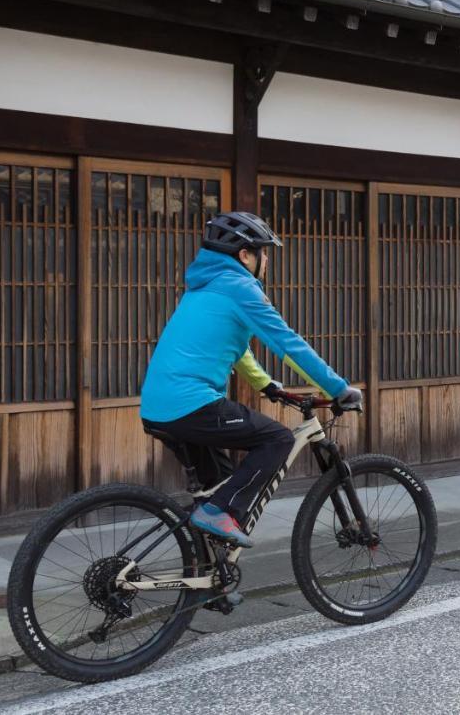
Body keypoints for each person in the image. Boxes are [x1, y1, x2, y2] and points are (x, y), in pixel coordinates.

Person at [140, 211, 362, 548]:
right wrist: (338, 388)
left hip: (160, 406)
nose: (267, 259)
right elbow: (287, 344)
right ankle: (216, 516)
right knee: (277, 440)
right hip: (192, 403)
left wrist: (268, 386)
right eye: (264, 250)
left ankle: (207, 579)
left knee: (222, 486)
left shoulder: (205, 286)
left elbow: (236, 347)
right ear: (246, 255)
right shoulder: (240, 287)